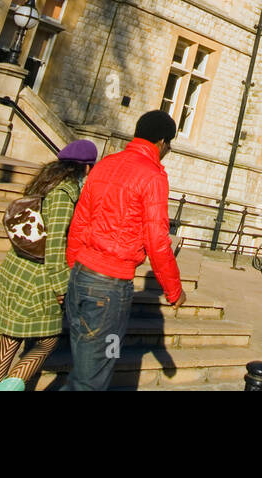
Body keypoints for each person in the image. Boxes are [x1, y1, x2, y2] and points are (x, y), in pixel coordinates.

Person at [63, 110, 185, 390]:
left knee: (84, 368)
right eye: (169, 145)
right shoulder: (153, 177)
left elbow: (80, 219)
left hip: (81, 275)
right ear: (162, 142)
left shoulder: (105, 164)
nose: (168, 151)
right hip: (110, 286)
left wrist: (73, 265)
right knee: (92, 379)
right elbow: (157, 240)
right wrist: (174, 290)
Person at [0, 139, 98, 391]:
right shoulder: (65, 193)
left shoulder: (46, 183)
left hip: (17, 270)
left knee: (9, 342)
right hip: (36, 281)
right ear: (87, 168)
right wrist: (62, 288)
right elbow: (55, 243)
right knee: (47, 341)